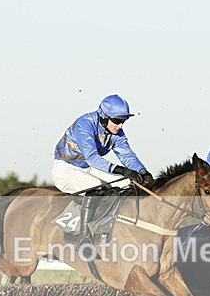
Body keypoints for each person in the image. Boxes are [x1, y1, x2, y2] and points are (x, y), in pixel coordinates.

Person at [52, 94, 155, 240]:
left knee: (127, 183)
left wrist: (142, 172)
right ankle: (84, 237)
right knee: (96, 186)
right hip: (65, 168)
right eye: (117, 121)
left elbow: (127, 155)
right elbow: (93, 158)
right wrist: (122, 170)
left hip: (87, 168)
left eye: (123, 121)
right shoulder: (85, 124)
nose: (120, 126)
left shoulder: (116, 132)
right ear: (104, 117)